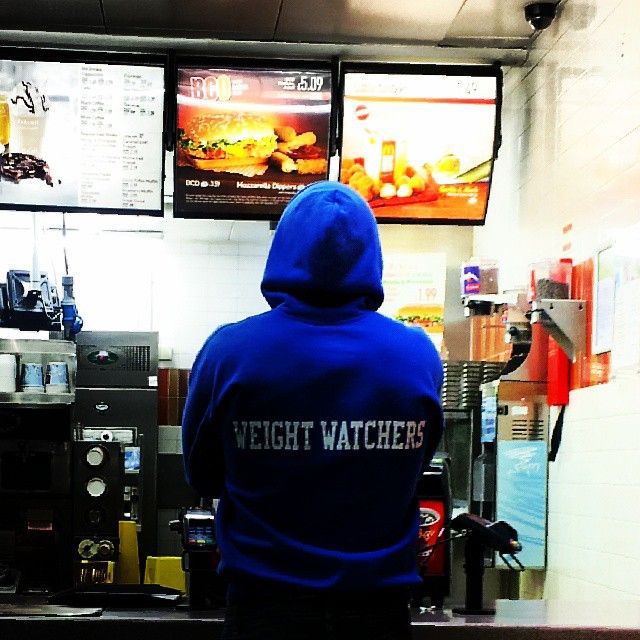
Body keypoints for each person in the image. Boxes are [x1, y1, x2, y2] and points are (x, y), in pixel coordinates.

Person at [182, 180, 444, 640]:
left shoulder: (229, 351)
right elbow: (413, 467)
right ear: (370, 255)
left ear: (284, 250)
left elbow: (202, 476)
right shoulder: (416, 353)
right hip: (379, 617)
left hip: (263, 616)